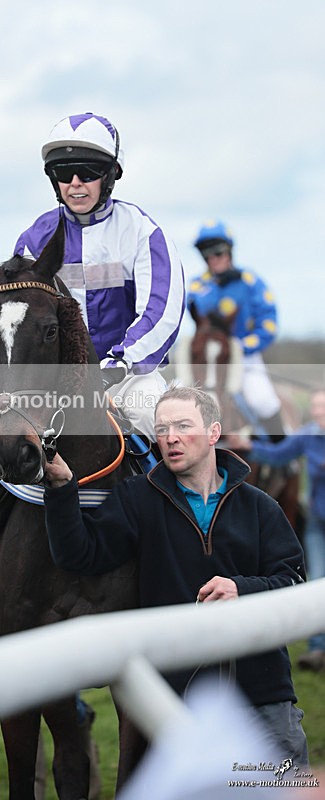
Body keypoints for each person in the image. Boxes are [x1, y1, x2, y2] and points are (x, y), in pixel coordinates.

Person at [43, 385, 308, 767]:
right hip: (177, 705)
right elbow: (78, 555)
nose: (170, 437)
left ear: (214, 433)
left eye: (183, 426)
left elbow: (294, 585)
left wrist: (242, 589)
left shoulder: (260, 507)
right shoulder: (137, 499)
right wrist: (61, 488)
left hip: (263, 697)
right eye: (162, 428)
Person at [14, 111, 186, 442]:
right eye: (64, 172)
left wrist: (120, 363)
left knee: (152, 415)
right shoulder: (33, 241)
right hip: (55, 383)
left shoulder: (142, 232)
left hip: (128, 379)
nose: (75, 183)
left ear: (110, 175)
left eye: (88, 172)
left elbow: (161, 313)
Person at [228, 389, 325, 672]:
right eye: (315, 407)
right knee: (318, 580)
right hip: (318, 522)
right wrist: (247, 445)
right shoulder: (308, 435)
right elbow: (280, 455)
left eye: (322, 407)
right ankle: (318, 648)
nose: (317, 412)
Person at [187, 220, 285, 441]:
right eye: (207, 254)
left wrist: (241, 346)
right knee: (178, 396)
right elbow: (203, 316)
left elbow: (269, 324)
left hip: (244, 356)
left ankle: (283, 452)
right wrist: (219, 285)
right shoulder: (198, 286)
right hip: (209, 359)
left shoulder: (250, 281)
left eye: (218, 252)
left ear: (229, 251)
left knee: (262, 401)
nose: (213, 258)